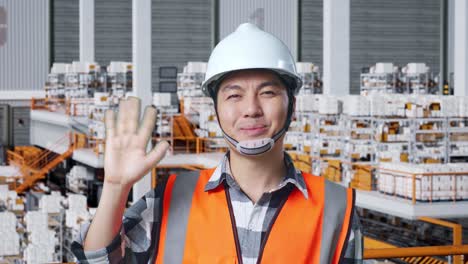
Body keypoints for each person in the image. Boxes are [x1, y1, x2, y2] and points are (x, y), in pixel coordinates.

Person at [72, 23, 363, 264]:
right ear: (216, 110)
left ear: (292, 106)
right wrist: (115, 187)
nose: (251, 109)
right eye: (234, 95)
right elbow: (97, 261)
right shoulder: (171, 199)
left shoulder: (337, 207)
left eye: (268, 93)